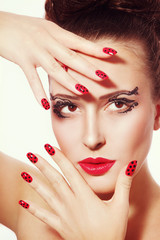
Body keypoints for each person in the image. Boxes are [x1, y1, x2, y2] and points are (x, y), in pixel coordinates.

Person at [0, 0, 160, 239]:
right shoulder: (33, 204)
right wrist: (6, 26)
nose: (92, 138)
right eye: (69, 106)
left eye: (119, 104)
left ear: (157, 113)